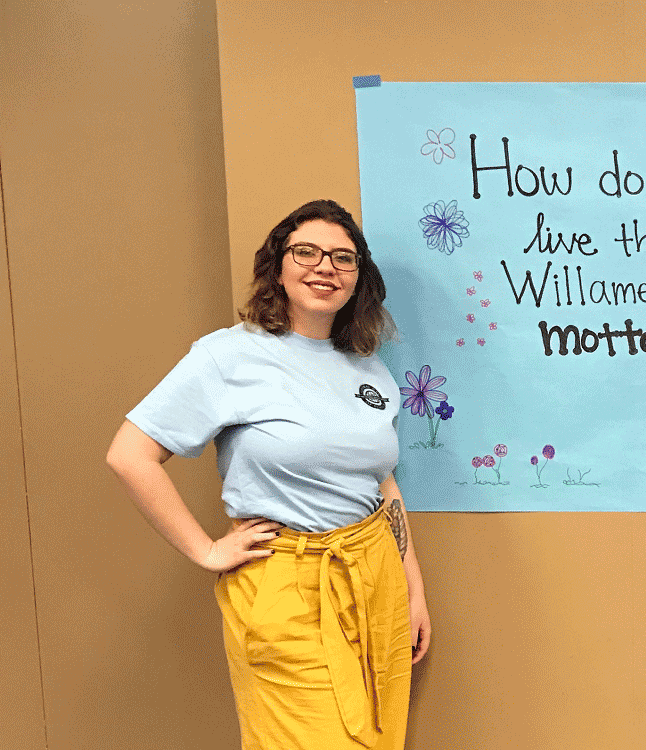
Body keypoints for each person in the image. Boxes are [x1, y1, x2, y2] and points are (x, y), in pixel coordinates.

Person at [106, 199, 431, 749]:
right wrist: (207, 551)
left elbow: (381, 484)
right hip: (286, 586)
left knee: (379, 739)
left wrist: (412, 590)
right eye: (306, 252)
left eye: (343, 258)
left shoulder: (369, 366)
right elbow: (129, 454)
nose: (324, 267)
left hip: (374, 578)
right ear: (277, 267)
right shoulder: (229, 356)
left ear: (359, 279)